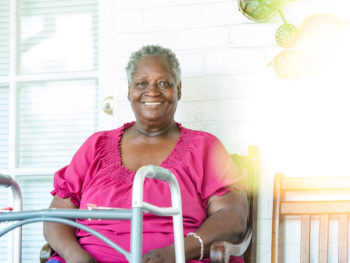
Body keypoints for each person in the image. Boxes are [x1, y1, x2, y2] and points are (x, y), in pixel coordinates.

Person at [43, 45, 249, 263]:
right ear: (129, 91)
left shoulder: (204, 147)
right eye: (142, 83)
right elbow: (57, 214)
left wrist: (176, 252)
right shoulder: (96, 146)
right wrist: (74, 255)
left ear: (178, 90)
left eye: (164, 83)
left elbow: (233, 217)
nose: (152, 91)